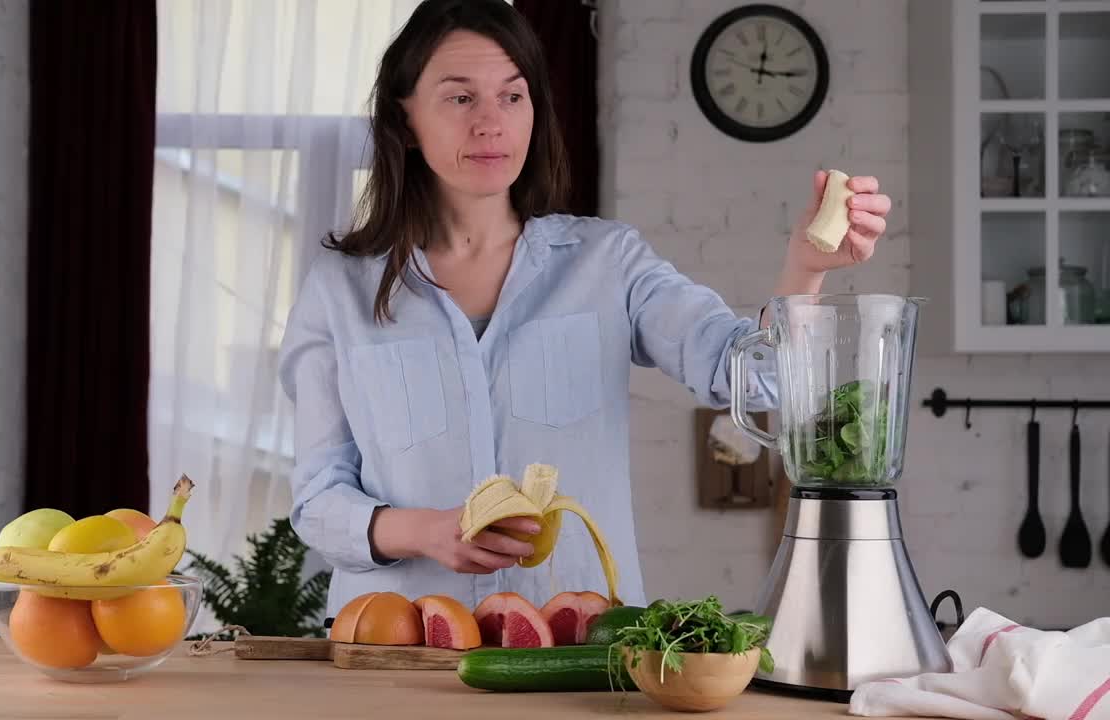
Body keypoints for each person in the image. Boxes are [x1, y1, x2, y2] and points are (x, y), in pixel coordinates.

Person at [276, 0, 891, 619]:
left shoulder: (608, 263)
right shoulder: (339, 290)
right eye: (460, 99)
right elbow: (317, 502)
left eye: (512, 97)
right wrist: (424, 532)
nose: (491, 123)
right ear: (405, 119)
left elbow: (750, 376)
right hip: (398, 647)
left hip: (581, 649)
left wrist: (806, 267)